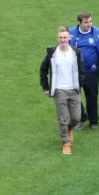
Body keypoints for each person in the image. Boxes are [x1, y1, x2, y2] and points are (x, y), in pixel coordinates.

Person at [39, 27, 85, 155]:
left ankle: (69, 129)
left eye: (65, 37)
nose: (63, 40)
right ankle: (65, 142)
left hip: (74, 90)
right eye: (60, 38)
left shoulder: (76, 52)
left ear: (69, 38)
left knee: (77, 117)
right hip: (60, 90)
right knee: (63, 118)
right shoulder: (52, 53)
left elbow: (81, 70)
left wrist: (79, 85)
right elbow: (43, 70)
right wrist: (46, 88)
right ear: (57, 38)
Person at [68, 11, 99, 132]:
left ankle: (93, 121)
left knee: (92, 96)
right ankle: (81, 117)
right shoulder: (71, 33)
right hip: (75, 72)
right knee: (74, 96)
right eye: (86, 22)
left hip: (92, 71)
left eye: (90, 21)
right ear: (79, 23)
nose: (89, 24)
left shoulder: (98, 32)